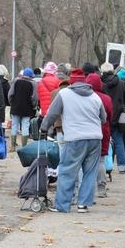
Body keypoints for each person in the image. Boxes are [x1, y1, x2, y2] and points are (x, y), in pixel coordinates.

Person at [41, 68, 106, 213]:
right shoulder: (95, 96)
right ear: (84, 81)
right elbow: (104, 118)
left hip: (75, 138)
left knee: (67, 171)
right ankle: (83, 204)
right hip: (95, 138)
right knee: (90, 172)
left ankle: (62, 205)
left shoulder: (64, 94)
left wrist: (43, 128)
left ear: (71, 81)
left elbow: (52, 114)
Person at [86, 73, 113, 198]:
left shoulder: (85, 98)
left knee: (85, 160)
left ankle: (87, 188)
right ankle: (101, 188)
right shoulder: (106, 98)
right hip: (103, 130)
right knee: (101, 160)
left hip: (86, 131)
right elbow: (110, 115)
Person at [101, 62, 125, 173]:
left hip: (105, 115)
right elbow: (123, 98)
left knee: (104, 142)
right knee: (119, 141)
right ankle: (122, 167)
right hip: (118, 114)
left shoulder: (102, 83)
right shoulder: (121, 83)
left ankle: (107, 166)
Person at [8, 68, 38, 151]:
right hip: (27, 109)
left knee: (14, 126)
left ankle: (13, 146)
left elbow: (10, 94)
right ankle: (24, 147)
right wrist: (34, 106)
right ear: (31, 76)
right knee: (25, 126)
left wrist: (12, 104)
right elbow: (34, 98)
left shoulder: (16, 81)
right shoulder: (33, 84)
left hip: (15, 107)